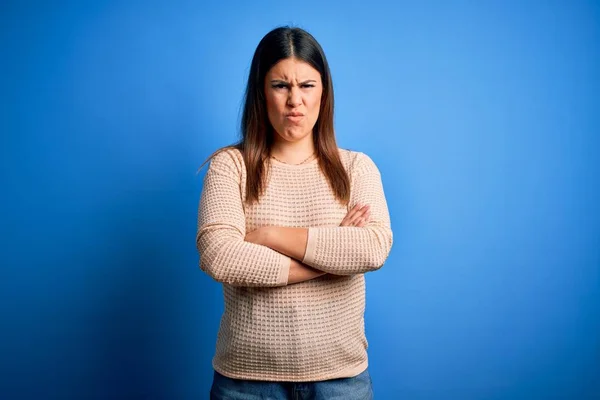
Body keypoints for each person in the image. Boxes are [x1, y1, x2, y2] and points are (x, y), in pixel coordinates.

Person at [196, 26, 393, 400]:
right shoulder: (229, 167)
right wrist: (331, 255)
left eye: (307, 85)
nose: (295, 101)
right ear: (261, 91)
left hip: (341, 380)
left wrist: (270, 235)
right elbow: (219, 256)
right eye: (280, 86)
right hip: (246, 382)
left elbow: (372, 248)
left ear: (324, 92)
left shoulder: (357, 168)